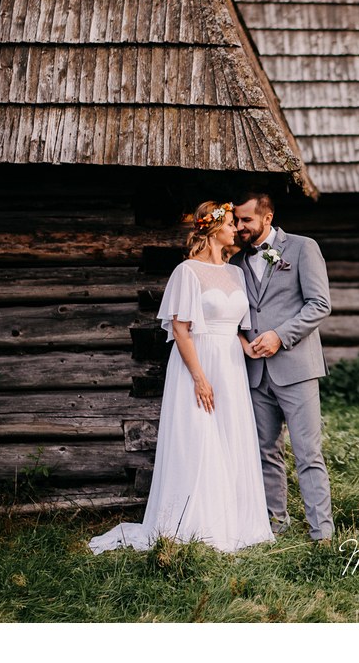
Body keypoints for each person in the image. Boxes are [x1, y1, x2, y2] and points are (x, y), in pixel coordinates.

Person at [89, 201, 274, 554]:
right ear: (212, 228)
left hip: (231, 363)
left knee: (231, 435)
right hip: (198, 361)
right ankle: (199, 523)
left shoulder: (235, 272)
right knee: (200, 437)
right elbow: (181, 329)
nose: (236, 229)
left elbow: (234, 325)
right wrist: (199, 378)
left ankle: (236, 522)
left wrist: (247, 348)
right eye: (231, 223)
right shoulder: (187, 272)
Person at [229, 192, 334, 542]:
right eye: (236, 220)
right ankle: (275, 523)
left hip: (296, 368)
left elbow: (319, 304)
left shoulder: (303, 248)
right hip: (256, 373)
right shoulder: (236, 261)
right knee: (265, 452)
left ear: (267, 217)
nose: (239, 226)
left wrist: (279, 335)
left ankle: (321, 531)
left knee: (308, 452)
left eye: (246, 220)